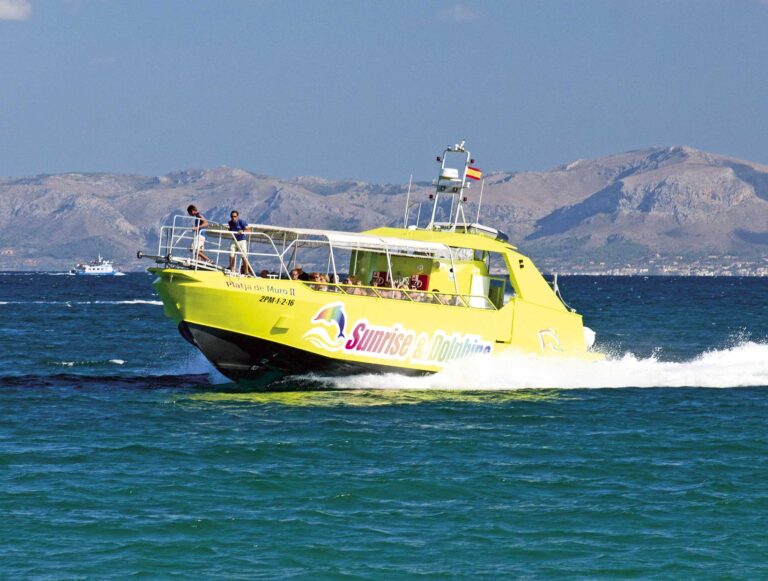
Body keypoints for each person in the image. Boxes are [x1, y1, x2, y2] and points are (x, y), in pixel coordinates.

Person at [227, 210, 252, 274]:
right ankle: (232, 270)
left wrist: (242, 231)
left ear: (237, 216)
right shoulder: (230, 223)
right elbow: (230, 229)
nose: (233, 218)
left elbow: (249, 230)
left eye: (235, 216)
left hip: (242, 240)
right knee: (231, 254)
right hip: (234, 239)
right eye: (232, 216)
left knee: (244, 256)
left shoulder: (242, 222)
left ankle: (246, 271)